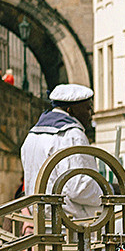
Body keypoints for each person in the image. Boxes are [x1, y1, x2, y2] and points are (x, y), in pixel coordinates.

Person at [21, 83, 102, 221]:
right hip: (72, 224)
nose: (92, 113)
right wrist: (107, 192)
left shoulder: (32, 135)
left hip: (42, 220)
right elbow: (78, 187)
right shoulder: (71, 135)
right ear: (71, 110)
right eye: (88, 108)